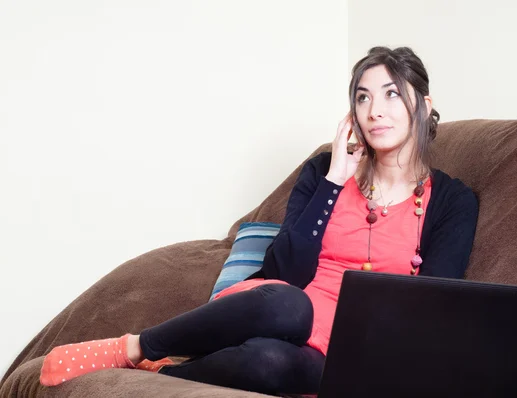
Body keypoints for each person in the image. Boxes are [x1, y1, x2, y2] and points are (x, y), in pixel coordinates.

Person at [40, 46, 478, 395]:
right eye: (362, 97)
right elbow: (287, 271)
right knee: (290, 305)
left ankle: (164, 377)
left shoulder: (451, 201)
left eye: (391, 94)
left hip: (353, 346)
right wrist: (334, 180)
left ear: (423, 104)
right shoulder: (324, 172)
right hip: (279, 310)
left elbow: (432, 304)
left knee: (270, 363)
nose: (374, 110)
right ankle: (135, 347)